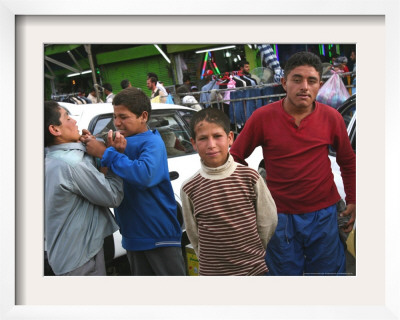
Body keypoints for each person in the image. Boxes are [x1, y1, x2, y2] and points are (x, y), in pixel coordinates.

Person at [230, 51, 356, 276]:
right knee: (286, 281)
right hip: (280, 218)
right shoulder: (262, 117)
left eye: (312, 81)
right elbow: (235, 158)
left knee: (329, 279)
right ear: (284, 83)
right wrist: (254, 196)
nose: (304, 87)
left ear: (320, 85)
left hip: (324, 215)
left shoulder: (332, 118)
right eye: (297, 79)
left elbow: (347, 161)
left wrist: (354, 199)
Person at [81, 87, 186, 276]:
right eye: (115, 117)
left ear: (143, 116)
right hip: (132, 235)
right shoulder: (116, 143)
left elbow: (144, 175)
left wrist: (105, 153)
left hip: (158, 234)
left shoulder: (152, 142)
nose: (117, 123)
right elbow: (103, 175)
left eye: (124, 117)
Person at [180, 108, 278, 276]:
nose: (211, 145)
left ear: (230, 138)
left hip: (253, 271)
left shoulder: (250, 177)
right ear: (194, 143)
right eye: (203, 138)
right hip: (213, 274)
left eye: (217, 136)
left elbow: (268, 221)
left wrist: (253, 252)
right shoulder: (190, 187)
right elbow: (193, 234)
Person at [44, 101, 123, 276]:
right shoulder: (71, 164)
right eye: (66, 117)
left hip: (66, 255)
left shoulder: (51, 157)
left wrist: (91, 147)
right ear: (55, 130)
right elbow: (113, 196)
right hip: (80, 259)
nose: (74, 121)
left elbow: (96, 177)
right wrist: (114, 156)